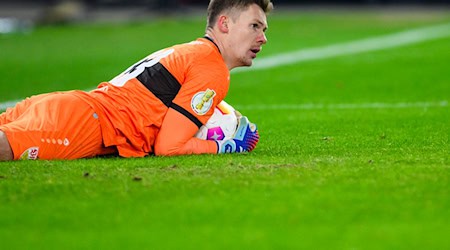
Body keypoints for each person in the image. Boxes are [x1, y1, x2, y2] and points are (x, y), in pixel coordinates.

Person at [0, 0, 273, 161]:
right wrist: (224, 146)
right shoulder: (211, 67)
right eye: (254, 26)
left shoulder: (193, 51)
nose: (262, 37)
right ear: (224, 24)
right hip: (84, 123)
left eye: (263, 29)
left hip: (70, 107)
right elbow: (169, 147)